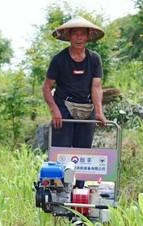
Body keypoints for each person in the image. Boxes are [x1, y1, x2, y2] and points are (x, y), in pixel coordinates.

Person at [42, 16, 108, 148]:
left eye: (82, 34)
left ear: (88, 36)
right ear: (69, 36)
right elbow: (46, 88)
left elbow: (96, 87)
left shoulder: (94, 59)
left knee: (83, 150)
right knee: (62, 151)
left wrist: (99, 112)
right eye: (75, 34)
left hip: (87, 107)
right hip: (64, 107)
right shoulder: (59, 60)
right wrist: (54, 110)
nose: (79, 38)